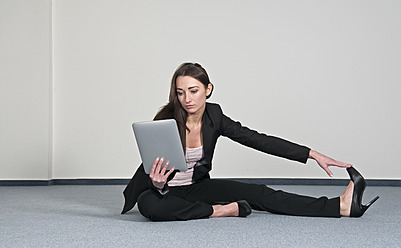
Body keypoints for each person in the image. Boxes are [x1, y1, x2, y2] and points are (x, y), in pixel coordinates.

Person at [121, 62, 379, 221]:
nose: (187, 98)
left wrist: (311, 154)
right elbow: (153, 170)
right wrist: (158, 185)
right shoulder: (165, 119)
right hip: (163, 192)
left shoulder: (215, 116)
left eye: (193, 90)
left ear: (208, 89)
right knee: (149, 205)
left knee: (260, 193)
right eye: (180, 92)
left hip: (197, 188)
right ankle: (220, 211)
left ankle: (340, 207)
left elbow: (258, 140)